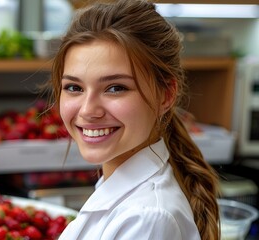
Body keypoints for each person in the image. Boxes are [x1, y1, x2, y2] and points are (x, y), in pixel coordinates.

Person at [46, 0, 221, 239]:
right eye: (74, 87)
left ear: (166, 95)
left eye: (116, 88)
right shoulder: (119, 186)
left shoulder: (147, 219)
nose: (88, 110)